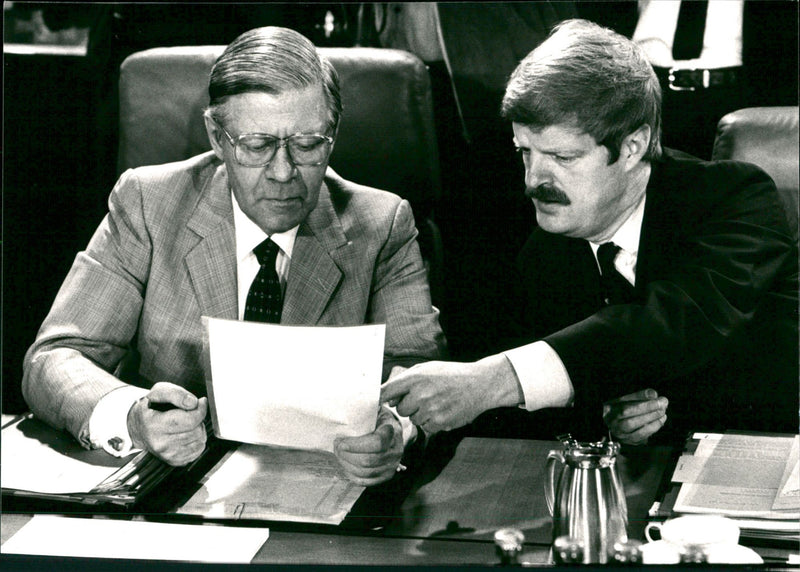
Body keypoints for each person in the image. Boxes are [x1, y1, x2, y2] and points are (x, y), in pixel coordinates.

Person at [22, 26, 445, 485]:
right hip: (172, 487)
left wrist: (395, 431)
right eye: (257, 146)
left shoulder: (382, 224)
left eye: (307, 144)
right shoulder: (148, 204)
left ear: (333, 135)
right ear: (217, 137)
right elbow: (55, 358)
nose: (283, 172)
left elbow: (416, 370)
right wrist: (133, 417)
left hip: (324, 485)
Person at [381, 19, 798, 445]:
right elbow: (493, 398)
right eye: (525, 151)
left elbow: (674, 323)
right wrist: (605, 415)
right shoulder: (529, 236)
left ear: (633, 147)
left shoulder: (735, 198)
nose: (533, 180)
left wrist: (498, 379)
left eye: (563, 157)